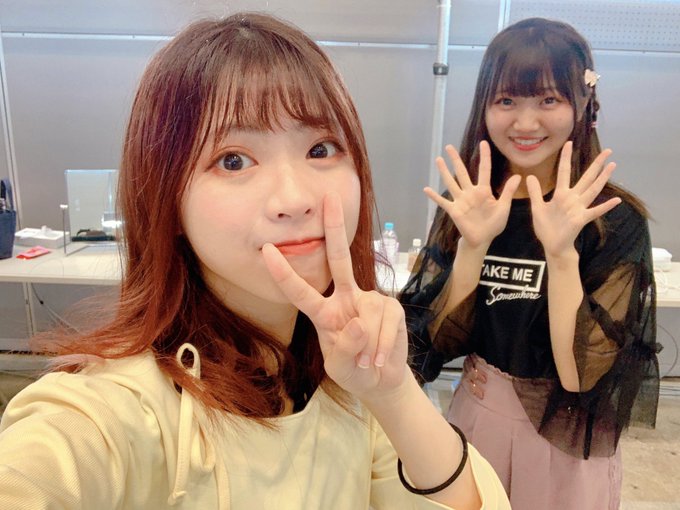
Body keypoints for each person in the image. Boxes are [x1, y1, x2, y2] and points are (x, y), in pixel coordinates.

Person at [0, 12, 509, 510]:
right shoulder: (114, 410)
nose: (295, 198)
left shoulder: (347, 383)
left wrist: (394, 394)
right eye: (233, 160)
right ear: (167, 202)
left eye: (320, 149)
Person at [400, 17, 659, 510]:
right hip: (475, 420)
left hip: (563, 442)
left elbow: (579, 376)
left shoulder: (613, 219)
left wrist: (560, 256)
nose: (524, 122)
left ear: (582, 104)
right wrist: (473, 247)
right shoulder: (472, 204)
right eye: (506, 100)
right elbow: (429, 345)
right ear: (485, 107)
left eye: (547, 100)